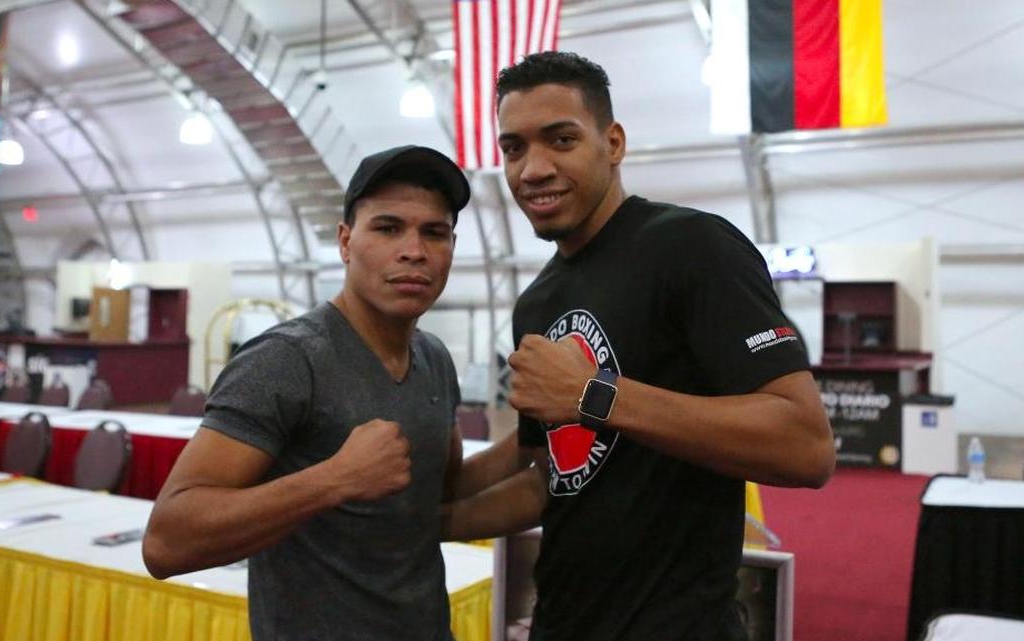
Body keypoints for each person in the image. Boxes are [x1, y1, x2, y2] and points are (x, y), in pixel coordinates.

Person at [440, 52, 836, 641]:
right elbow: (550, 475)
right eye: (514, 148)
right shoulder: (537, 301)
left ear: (614, 143)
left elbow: (807, 446)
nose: (534, 169)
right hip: (562, 623)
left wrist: (594, 395)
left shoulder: (693, 247)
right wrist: (430, 517)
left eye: (561, 139)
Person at [143, 145, 472, 641]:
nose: (414, 250)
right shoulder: (285, 360)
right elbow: (166, 542)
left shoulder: (435, 359)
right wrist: (334, 480)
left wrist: (543, 434)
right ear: (345, 242)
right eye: (387, 228)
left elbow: (441, 496)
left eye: (434, 232)